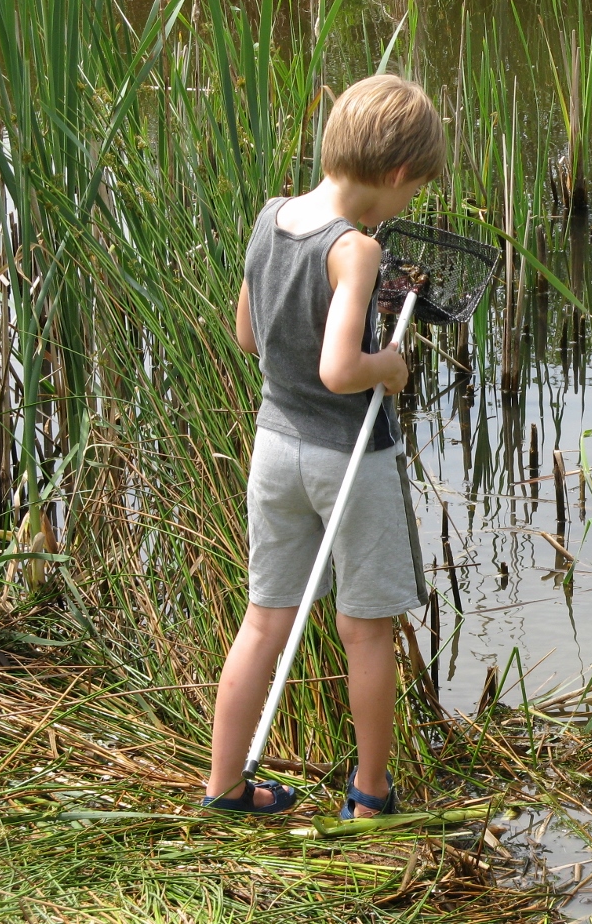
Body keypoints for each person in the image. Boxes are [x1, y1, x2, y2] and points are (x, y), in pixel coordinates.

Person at [202, 74, 441, 817]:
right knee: (366, 632)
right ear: (397, 175)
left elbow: (247, 335)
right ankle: (370, 796)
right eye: (414, 192)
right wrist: (391, 367)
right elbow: (342, 370)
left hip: (274, 449)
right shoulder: (356, 251)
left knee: (263, 620)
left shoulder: (270, 217)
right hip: (347, 458)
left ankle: (225, 788)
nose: (408, 207)